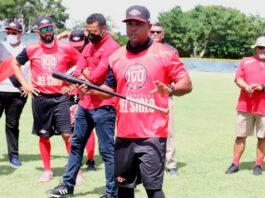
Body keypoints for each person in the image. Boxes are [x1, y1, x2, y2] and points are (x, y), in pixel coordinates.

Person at [83, 5, 191, 198]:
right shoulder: (116, 56)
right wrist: (92, 90)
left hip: (152, 134)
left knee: (153, 189)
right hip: (124, 134)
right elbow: (110, 90)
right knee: (124, 187)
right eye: (129, 24)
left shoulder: (165, 53)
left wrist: (171, 89)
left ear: (148, 26)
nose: (132, 28)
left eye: (138, 24)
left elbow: (187, 83)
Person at [47, 13, 120, 198]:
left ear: (104, 29)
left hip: (104, 106)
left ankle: (112, 192)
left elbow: (95, 77)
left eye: (93, 31)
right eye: (88, 31)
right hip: (85, 104)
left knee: (106, 151)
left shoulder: (113, 48)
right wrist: (86, 73)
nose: (90, 34)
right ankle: (67, 186)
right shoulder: (88, 46)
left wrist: (87, 73)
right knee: (76, 144)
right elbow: (78, 71)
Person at [11, 16, 79, 182]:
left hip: (61, 98)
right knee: (44, 136)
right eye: (43, 29)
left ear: (53, 29)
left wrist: (72, 85)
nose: (47, 32)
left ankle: (76, 172)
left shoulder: (65, 48)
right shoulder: (31, 49)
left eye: (50, 28)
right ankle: (47, 170)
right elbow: (15, 64)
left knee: (67, 135)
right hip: (40, 98)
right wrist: (25, 84)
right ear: (37, 31)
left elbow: (80, 63)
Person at [225, 36, 265, 176]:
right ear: (255, 48)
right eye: (260, 47)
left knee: (262, 137)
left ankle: (258, 164)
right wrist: (246, 87)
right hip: (245, 106)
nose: (263, 50)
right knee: (240, 136)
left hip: (263, 108)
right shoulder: (245, 61)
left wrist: (262, 87)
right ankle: (235, 163)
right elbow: (238, 78)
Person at [59, 29, 97, 171]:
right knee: (70, 131)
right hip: (69, 97)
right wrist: (61, 35)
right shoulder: (66, 52)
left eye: (79, 43)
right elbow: (51, 48)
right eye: (73, 43)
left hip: (86, 94)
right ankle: (75, 160)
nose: (77, 46)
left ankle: (91, 159)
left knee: (88, 128)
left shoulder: (90, 52)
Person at [150, 22, 179, 176]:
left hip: (164, 97)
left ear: (163, 34)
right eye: (152, 31)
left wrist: (170, 89)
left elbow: (178, 75)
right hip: (144, 97)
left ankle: (171, 164)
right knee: (145, 132)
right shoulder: (142, 49)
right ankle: (150, 163)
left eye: (158, 32)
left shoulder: (171, 51)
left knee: (169, 132)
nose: (155, 34)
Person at [0, 21, 29, 167]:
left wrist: (28, 85)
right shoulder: (1, 47)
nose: (11, 35)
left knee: (12, 125)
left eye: (14, 32)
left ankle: (14, 156)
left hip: (17, 93)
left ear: (20, 34)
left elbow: (34, 70)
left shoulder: (27, 49)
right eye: (8, 32)